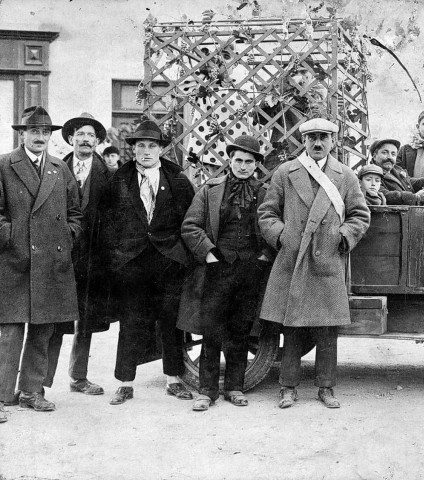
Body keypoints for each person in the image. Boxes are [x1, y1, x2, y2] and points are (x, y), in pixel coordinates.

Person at [258, 118, 370, 409]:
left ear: (333, 141)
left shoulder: (345, 176)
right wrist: (282, 236)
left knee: (327, 329)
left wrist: (342, 237)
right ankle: (287, 386)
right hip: (293, 258)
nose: (318, 143)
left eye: (323, 137)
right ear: (303, 142)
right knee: (291, 325)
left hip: (327, 259)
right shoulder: (286, 172)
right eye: (312, 138)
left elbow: (360, 215)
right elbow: (267, 213)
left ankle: (326, 387)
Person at [100, 120, 195, 405]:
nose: (146, 151)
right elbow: (106, 222)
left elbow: (190, 220)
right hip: (132, 262)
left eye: (152, 146)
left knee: (170, 320)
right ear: (133, 149)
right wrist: (117, 257)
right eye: (140, 145)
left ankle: (174, 379)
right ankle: (126, 383)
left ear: (161, 149)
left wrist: (180, 255)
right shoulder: (118, 179)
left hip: (167, 261)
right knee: (131, 321)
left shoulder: (177, 179)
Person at [0, 106, 83, 422]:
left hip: (52, 261)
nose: (40, 137)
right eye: (34, 131)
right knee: (9, 332)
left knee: (43, 330)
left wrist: (67, 236)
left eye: (45, 132)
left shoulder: (60, 168)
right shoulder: (5, 165)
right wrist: (11, 238)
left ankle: (32, 392)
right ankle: (2, 395)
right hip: (14, 261)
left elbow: (75, 214)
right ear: (22, 134)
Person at [179, 135, 273, 411]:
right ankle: (206, 391)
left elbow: (274, 226)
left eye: (248, 162)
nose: (242, 166)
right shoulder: (210, 191)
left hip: (250, 269)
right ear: (229, 161)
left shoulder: (264, 193)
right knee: (211, 328)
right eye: (238, 161)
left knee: (241, 329)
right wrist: (209, 254)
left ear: (256, 165)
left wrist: (263, 257)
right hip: (217, 269)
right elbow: (190, 226)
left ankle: (235, 387)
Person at [45, 113, 113, 397]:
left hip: (93, 258)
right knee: (51, 319)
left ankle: (78, 376)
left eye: (90, 135)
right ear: (71, 139)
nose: (85, 140)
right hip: (59, 254)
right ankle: (39, 380)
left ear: (97, 141)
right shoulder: (55, 170)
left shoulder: (109, 176)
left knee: (85, 319)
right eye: (80, 135)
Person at [370, 138, 424, 205]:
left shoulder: (396, 171)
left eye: (393, 154)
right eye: (385, 153)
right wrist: (415, 197)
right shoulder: (370, 174)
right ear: (374, 156)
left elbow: (410, 182)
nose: (390, 157)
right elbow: (385, 194)